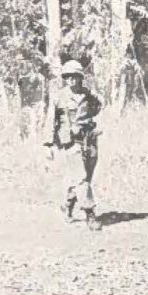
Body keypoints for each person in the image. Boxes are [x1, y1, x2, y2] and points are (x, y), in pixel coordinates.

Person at [52, 60, 103, 231]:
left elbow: (98, 107)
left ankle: (68, 204)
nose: (71, 80)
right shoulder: (59, 97)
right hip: (71, 142)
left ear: (81, 78)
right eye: (68, 77)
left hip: (89, 140)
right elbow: (51, 121)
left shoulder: (88, 95)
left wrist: (92, 96)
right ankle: (90, 214)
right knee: (81, 178)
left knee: (85, 178)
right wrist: (49, 145)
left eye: (75, 77)